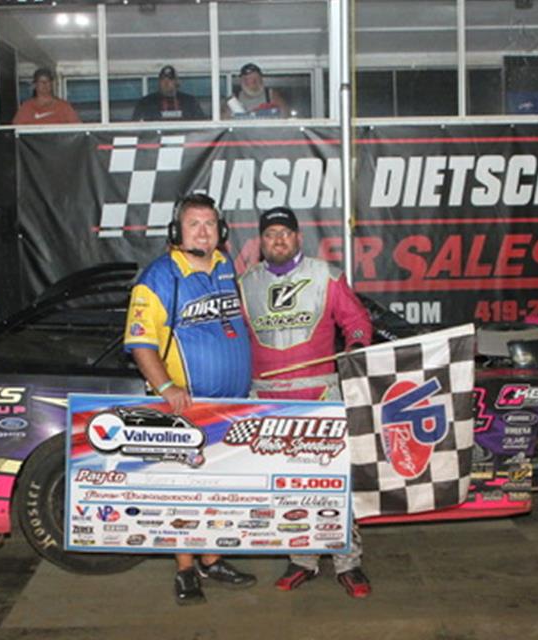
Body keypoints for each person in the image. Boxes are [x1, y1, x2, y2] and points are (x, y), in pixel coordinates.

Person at [123, 193, 256, 605]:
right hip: (184, 408)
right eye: (194, 224)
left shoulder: (224, 267)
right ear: (176, 231)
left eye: (210, 224)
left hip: (230, 404)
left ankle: (211, 559)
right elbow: (140, 343)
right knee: (183, 489)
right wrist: (166, 388)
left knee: (219, 488)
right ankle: (185, 569)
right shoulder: (160, 276)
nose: (203, 231)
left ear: (222, 231)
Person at [238, 206, 373, 599]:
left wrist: (358, 345)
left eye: (285, 232)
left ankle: (348, 562)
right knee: (286, 488)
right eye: (269, 234)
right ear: (260, 242)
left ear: (298, 238)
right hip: (268, 401)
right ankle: (303, 561)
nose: (278, 239)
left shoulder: (326, 275)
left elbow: (357, 321)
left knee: (334, 485)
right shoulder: (245, 283)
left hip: (320, 397)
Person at [131, 65, 206, 122]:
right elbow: (135, 126)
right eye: (163, 79)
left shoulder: (189, 102)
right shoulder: (146, 102)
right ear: (159, 82)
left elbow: (201, 124)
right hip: (155, 141)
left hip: (184, 140)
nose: (166, 83)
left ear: (176, 82)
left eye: (170, 79)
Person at [13, 68, 81, 125]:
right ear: (34, 85)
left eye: (47, 81)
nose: (45, 84)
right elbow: (16, 131)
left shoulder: (64, 107)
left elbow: (78, 130)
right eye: (41, 82)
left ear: (51, 84)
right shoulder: (26, 108)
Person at [221, 63, 288, 119]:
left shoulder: (272, 95)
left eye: (254, 79)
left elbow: (285, 118)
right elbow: (224, 121)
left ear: (261, 79)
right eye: (247, 79)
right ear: (242, 81)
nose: (251, 82)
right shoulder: (233, 100)